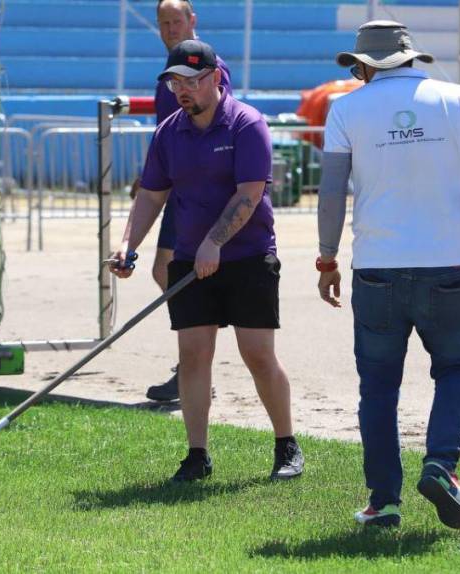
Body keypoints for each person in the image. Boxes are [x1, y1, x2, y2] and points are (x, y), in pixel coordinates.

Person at [316, 21, 460, 529]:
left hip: (377, 269)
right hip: (451, 264)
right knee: (456, 370)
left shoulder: (345, 109)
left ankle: (384, 501)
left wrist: (326, 260)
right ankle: (441, 466)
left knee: (379, 387)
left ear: (364, 66)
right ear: (411, 57)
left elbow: (330, 192)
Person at [111, 39, 303, 482]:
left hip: (248, 256)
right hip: (190, 258)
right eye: (176, 81)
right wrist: (127, 244)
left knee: (258, 355)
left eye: (193, 81)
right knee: (194, 354)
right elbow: (152, 194)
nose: (183, 90)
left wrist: (215, 243)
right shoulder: (168, 133)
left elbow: (250, 193)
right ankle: (197, 455)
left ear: (215, 78)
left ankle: (286, 444)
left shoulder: (246, 124)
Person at [138, 0, 233, 403]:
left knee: (172, 272)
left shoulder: (210, 66)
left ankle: (194, 363)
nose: (170, 27)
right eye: (164, 22)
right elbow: (167, 132)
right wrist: (148, 178)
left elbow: (221, 119)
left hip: (198, 186)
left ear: (192, 21)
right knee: (166, 271)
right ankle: (193, 360)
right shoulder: (168, 73)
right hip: (176, 185)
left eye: (177, 21)